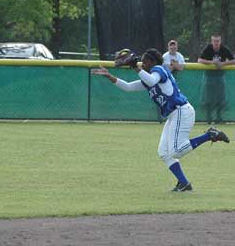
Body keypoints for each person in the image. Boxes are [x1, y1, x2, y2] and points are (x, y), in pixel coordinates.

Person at [92, 48, 229, 192]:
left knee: (176, 151)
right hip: (174, 115)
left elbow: (151, 80)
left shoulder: (159, 69)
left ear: (152, 62)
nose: (142, 63)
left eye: (145, 61)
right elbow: (128, 87)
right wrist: (109, 76)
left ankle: (210, 135)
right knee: (164, 152)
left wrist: (135, 67)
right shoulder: (149, 77)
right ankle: (184, 183)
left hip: (181, 111)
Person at [198, 34, 235, 124]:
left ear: (220, 41)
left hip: (220, 76)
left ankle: (219, 118)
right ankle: (209, 118)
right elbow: (199, 60)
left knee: (220, 98)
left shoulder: (224, 49)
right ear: (212, 41)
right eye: (214, 41)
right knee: (208, 98)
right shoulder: (208, 48)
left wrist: (222, 64)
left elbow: (233, 60)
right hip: (209, 76)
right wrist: (212, 62)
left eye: (218, 41)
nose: (216, 43)